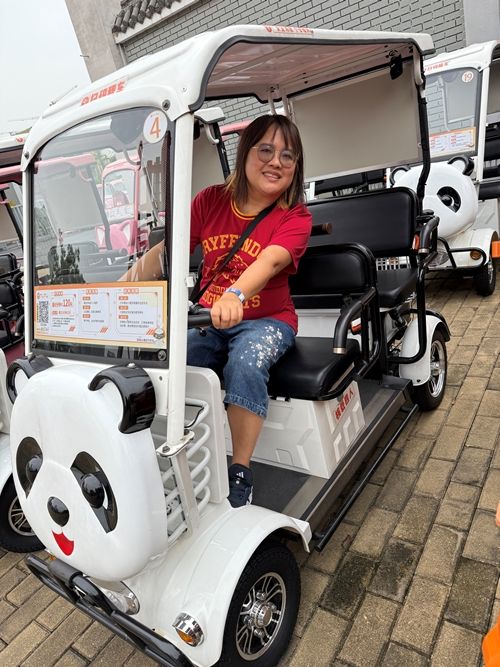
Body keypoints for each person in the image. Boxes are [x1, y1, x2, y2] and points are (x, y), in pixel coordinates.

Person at [123, 114, 312, 507]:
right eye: (265, 150)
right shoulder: (210, 201)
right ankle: (169, 455)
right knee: (167, 360)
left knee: (246, 362)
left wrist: (235, 295)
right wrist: (122, 287)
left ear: (296, 167)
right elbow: (170, 250)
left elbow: (270, 261)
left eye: (287, 156)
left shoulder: (295, 217)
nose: (276, 162)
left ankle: (240, 468)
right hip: (208, 318)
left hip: (267, 321)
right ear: (245, 153)